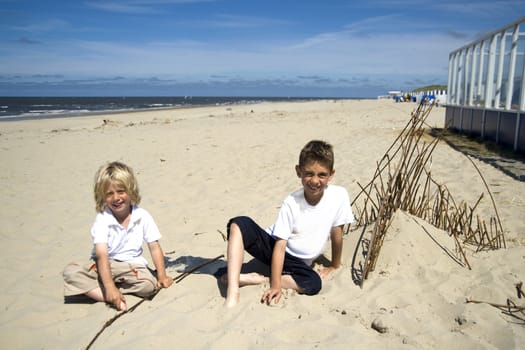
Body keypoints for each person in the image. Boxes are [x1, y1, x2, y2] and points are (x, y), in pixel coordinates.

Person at [222, 140, 354, 308]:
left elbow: (337, 231)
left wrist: (335, 265)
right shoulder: (291, 202)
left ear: (331, 174)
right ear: (298, 171)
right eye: (308, 173)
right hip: (274, 248)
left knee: (313, 283)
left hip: (297, 264)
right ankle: (233, 290)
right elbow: (280, 246)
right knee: (238, 223)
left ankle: (257, 278)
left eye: (322, 174)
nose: (314, 181)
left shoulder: (339, 196)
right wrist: (276, 286)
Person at [63, 161, 173, 311]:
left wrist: (162, 275)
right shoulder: (102, 219)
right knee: (71, 273)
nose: (116, 198)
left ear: (131, 191)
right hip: (105, 264)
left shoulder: (142, 216)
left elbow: (154, 246)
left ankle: (110, 292)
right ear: (102, 196)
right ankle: (110, 295)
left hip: (131, 266)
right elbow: (102, 255)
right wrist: (109, 287)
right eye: (109, 193)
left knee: (149, 286)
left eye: (121, 191)